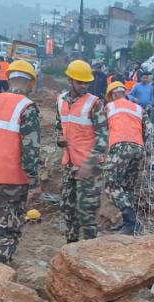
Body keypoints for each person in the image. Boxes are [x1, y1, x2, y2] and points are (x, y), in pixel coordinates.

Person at [0, 60, 41, 263]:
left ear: (8, 78)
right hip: (13, 180)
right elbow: (30, 149)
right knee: (9, 233)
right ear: (31, 83)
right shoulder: (27, 108)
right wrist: (34, 182)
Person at [56, 60, 107, 242]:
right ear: (70, 80)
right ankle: (71, 248)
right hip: (69, 164)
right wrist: (60, 140)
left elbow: (103, 137)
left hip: (89, 168)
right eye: (80, 82)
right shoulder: (61, 101)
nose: (85, 86)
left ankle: (91, 251)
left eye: (87, 82)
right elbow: (59, 126)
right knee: (68, 208)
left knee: (87, 213)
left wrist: (89, 163)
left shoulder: (95, 104)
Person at [104, 81, 148, 235]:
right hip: (139, 148)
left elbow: (102, 131)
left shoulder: (110, 107)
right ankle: (127, 225)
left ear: (114, 95)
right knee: (127, 187)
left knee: (110, 184)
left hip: (120, 146)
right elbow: (147, 131)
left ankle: (132, 221)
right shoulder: (139, 108)